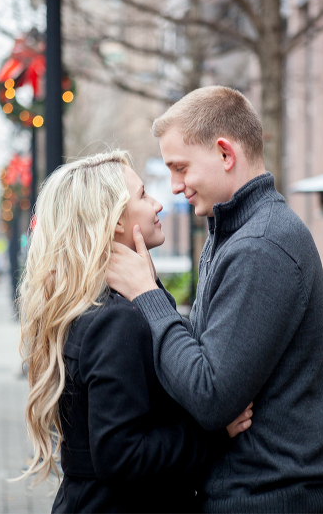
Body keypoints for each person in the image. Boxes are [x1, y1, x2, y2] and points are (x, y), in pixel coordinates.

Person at [107, 86, 323, 512]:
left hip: (270, 499)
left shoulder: (262, 244)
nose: (175, 187)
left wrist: (147, 294)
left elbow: (210, 395)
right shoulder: (231, 234)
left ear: (225, 154)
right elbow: (200, 365)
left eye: (180, 168)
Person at [17, 150, 253, 513]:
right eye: (143, 195)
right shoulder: (116, 320)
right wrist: (213, 433)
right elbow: (122, 455)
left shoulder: (98, 305)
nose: (158, 204)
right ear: (115, 222)